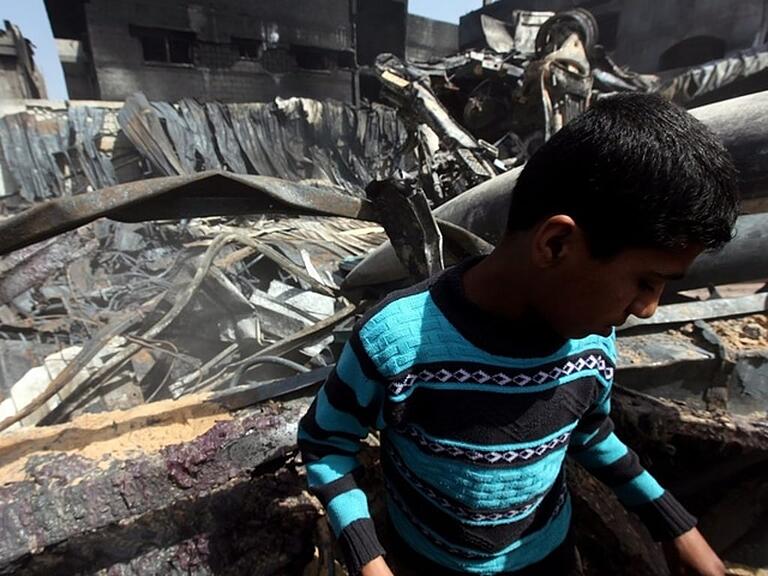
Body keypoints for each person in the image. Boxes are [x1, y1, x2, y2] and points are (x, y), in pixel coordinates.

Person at [297, 93, 738, 576]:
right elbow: (327, 443)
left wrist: (673, 523)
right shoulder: (395, 343)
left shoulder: (592, 342)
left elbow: (588, 431)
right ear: (556, 244)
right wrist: (368, 558)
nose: (647, 309)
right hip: (427, 560)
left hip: (549, 557)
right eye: (646, 282)